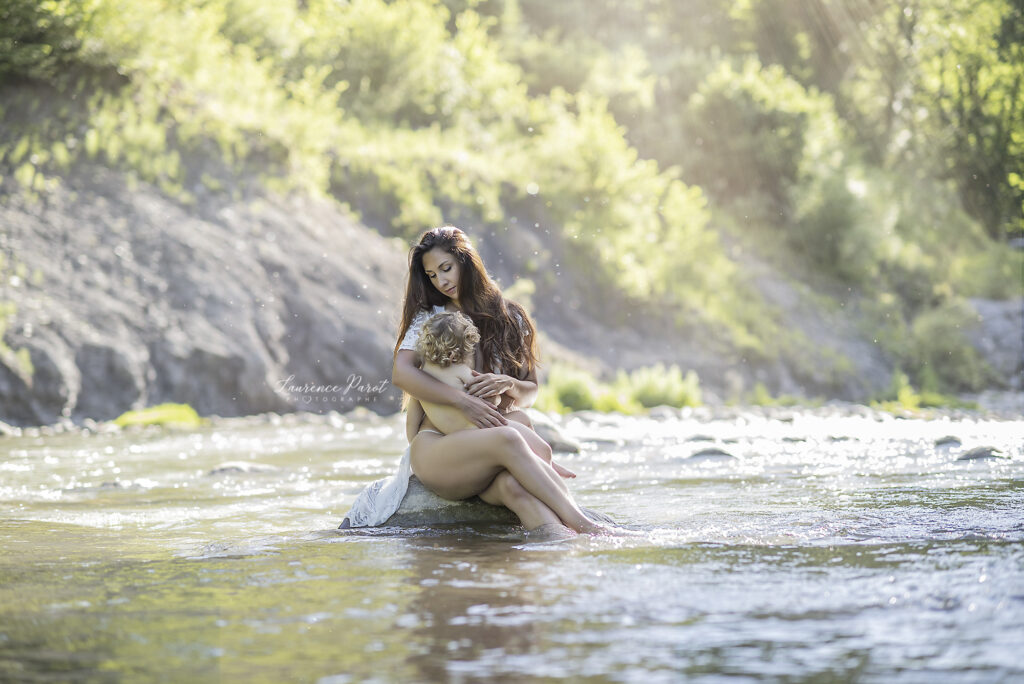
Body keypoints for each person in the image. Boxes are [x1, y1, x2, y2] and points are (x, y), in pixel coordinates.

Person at [391, 226, 613, 535]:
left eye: (447, 268)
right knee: (512, 438)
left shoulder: (510, 316)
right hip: (444, 445)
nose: (441, 280)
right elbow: (401, 373)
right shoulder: (431, 318)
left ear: (466, 261)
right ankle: (587, 526)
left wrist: (507, 384)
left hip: (487, 441)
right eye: (432, 275)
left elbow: (530, 391)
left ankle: (561, 553)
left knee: (515, 488)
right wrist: (463, 402)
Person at [413, 309, 577, 481]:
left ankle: (548, 464)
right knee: (544, 450)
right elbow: (490, 399)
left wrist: (414, 449)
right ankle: (549, 472)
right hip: (481, 430)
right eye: (469, 352)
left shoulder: (422, 375)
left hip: (463, 435)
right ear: (454, 354)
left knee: (523, 418)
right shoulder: (461, 371)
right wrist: (497, 394)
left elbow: (412, 427)